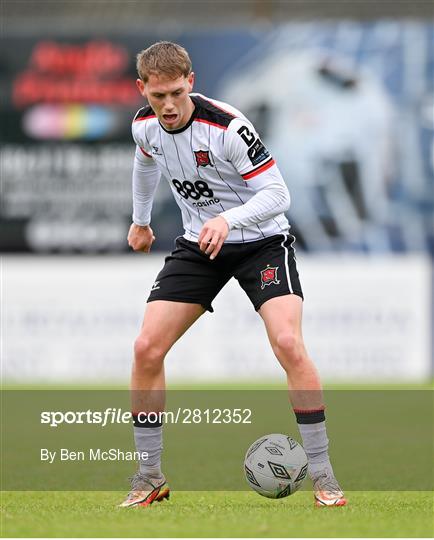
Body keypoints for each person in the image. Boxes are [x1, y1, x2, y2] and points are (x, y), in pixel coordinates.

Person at [120, 41, 346, 508]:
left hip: (261, 242)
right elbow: (145, 164)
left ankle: (324, 477)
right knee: (146, 348)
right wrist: (141, 221)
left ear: (191, 83)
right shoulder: (145, 126)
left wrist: (229, 219)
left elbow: (279, 194)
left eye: (176, 93)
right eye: (157, 95)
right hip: (199, 245)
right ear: (142, 89)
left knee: (288, 343)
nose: (167, 105)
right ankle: (148, 479)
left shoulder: (227, 127)